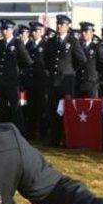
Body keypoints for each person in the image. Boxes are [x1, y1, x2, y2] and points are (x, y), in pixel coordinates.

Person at [43, 14, 86, 145]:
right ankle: (55, 139)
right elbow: (46, 59)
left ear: (68, 26)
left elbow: (82, 59)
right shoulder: (51, 41)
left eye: (62, 24)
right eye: (58, 24)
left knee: (66, 112)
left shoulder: (72, 41)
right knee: (52, 111)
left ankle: (67, 139)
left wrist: (70, 71)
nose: (59, 26)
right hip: (53, 81)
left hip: (66, 82)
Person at [0, 19, 32, 131]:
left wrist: (17, 71)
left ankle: (19, 132)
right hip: (1, 82)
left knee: (16, 109)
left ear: (11, 30)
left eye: (6, 29)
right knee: (1, 109)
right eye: (3, 29)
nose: (4, 31)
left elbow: (27, 61)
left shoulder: (17, 43)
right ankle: (2, 132)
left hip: (12, 82)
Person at [24, 21, 49, 141]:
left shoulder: (46, 45)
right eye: (32, 31)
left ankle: (42, 135)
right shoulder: (29, 45)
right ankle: (30, 134)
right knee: (31, 110)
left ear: (41, 32)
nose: (33, 33)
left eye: (35, 31)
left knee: (41, 109)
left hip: (42, 82)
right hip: (31, 81)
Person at [76, 21, 103, 98]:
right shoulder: (77, 46)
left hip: (91, 83)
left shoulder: (96, 47)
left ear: (91, 33)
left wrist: (97, 76)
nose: (83, 33)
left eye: (85, 31)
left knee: (92, 108)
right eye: (82, 31)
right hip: (79, 82)